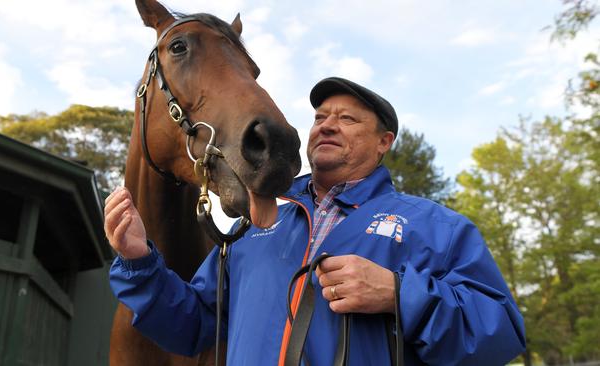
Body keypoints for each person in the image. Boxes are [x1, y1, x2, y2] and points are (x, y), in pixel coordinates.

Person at [107, 77, 526, 365]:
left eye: (346, 119)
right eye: (320, 117)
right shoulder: (257, 221)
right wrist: (140, 261)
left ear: (384, 143)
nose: (327, 126)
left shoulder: (437, 228)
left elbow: (500, 334)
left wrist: (399, 295)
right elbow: (194, 326)